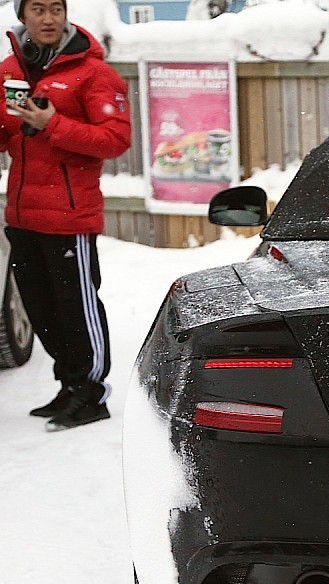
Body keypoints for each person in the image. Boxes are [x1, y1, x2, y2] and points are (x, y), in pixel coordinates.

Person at [1, 0, 131, 430]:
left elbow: (114, 139)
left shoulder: (94, 73)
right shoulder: (9, 70)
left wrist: (54, 123)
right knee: (42, 312)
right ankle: (69, 384)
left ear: (66, 15)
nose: (48, 18)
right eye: (37, 9)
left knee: (77, 311)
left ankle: (91, 393)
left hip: (69, 217)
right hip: (22, 216)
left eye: (56, 8)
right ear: (23, 16)